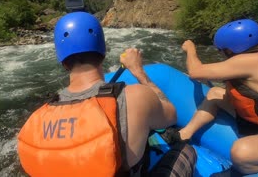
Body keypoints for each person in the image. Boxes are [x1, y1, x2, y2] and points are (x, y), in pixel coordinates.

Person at [17, 11, 183, 177]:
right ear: (103, 53)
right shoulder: (136, 97)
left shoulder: (39, 117)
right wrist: (139, 71)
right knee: (187, 151)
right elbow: (171, 114)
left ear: (63, 62)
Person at [175, 19, 258, 176]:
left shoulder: (249, 61)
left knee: (240, 152)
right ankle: (186, 133)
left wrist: (190, 49)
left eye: (221, 51)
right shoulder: (255, 57)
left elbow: (195, 72)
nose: (221, 54)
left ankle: (249, 171)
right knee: (215, 93)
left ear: (230, 50)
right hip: (257, 118)